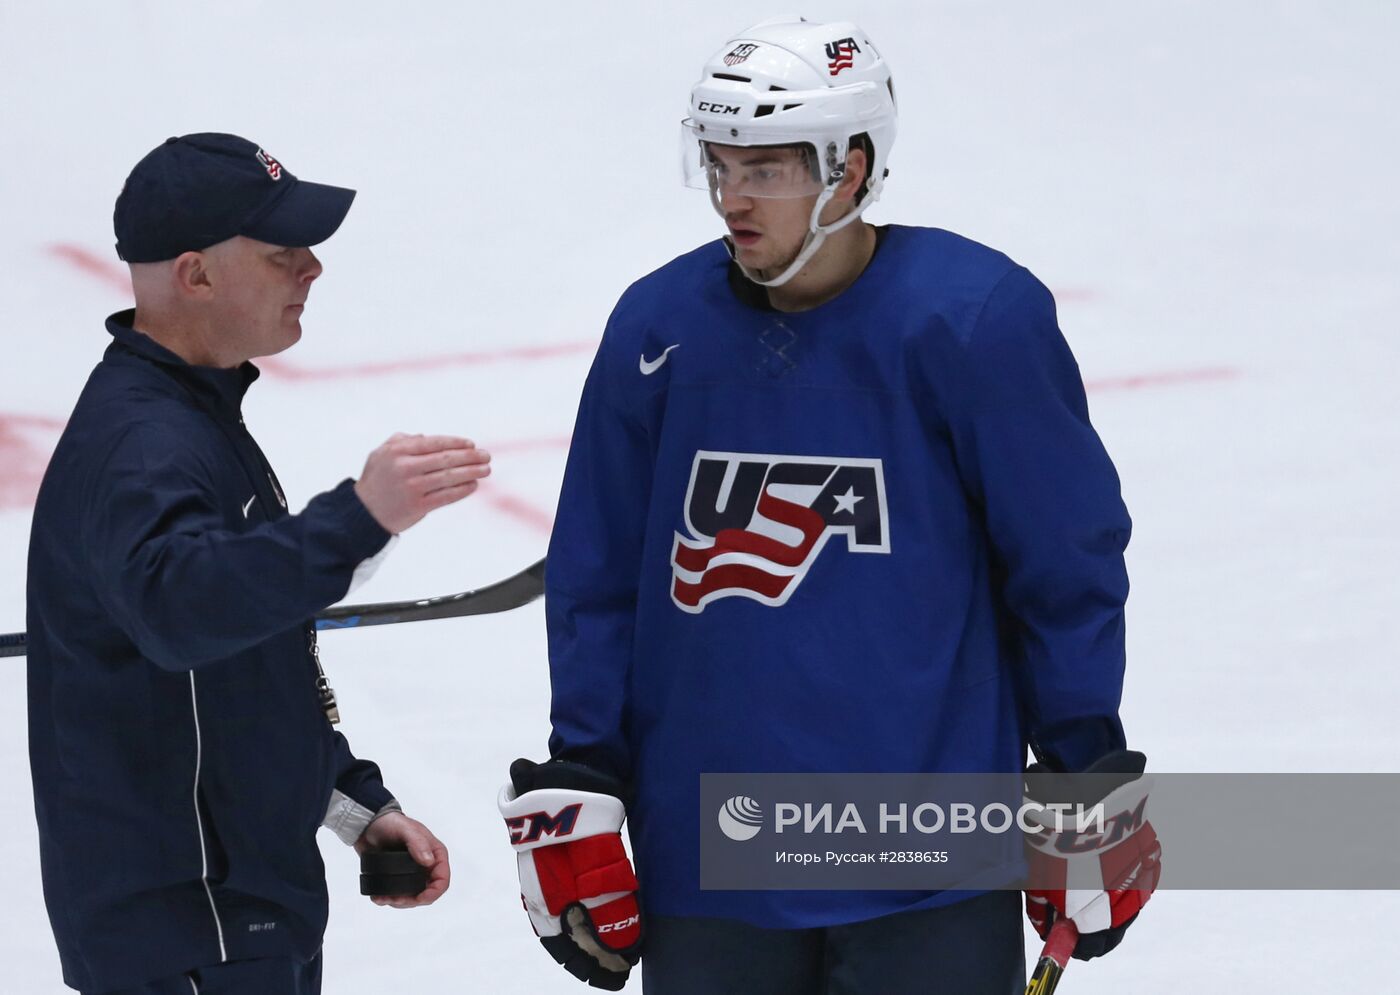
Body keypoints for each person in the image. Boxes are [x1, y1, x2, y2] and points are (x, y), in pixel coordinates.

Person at [496, 17, 1159, 994]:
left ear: (848, 168)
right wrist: (583, 768)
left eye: (763, 168)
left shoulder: (972, 321)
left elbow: (1061, 564)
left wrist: (1080, 758)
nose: (731, 197)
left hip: (925, 862)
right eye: (719, 165)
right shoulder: (657, 327)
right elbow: (598, 570)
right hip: (709, 857)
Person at [27, 133, 492, 995]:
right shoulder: (145, 446)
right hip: (187, 936)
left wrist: (356, 808)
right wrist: (356, 519)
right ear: (196, 275)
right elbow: (181, 610)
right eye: (283, 253)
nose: (312, 267)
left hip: (233, 922)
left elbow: (244, 673)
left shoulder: (197, 417)